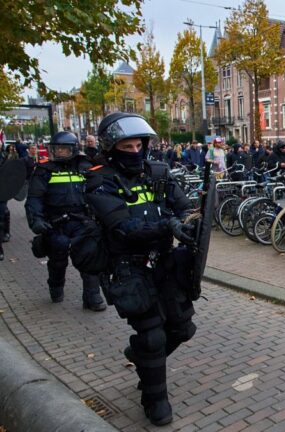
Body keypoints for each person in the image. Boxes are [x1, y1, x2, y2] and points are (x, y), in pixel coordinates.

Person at [85, 112, 198, 425]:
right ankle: (154, 400)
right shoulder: (100, 180)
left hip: (165, 262)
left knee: (183, 328)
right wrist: (168, 226)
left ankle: (141, 358)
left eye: (139, 145)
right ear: (111, 148)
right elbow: (122, 227)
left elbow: (184, 207)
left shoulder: (158, 171)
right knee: (152, 337)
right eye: (127, 147)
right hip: (128, 267)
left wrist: (189, 222)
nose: (135, 152)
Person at [24, 131, 106, 311]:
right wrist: (36, 220)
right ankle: (56, 286)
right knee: (58, 258)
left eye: (63, 148)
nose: (59, 152)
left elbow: (99, 191)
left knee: (89, 257)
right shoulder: (44, 169)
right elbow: (35, 198)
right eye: (56, 148)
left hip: (82, 221)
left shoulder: (85, 166)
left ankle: (92, 297)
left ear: (73, 149)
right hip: (55, 223)